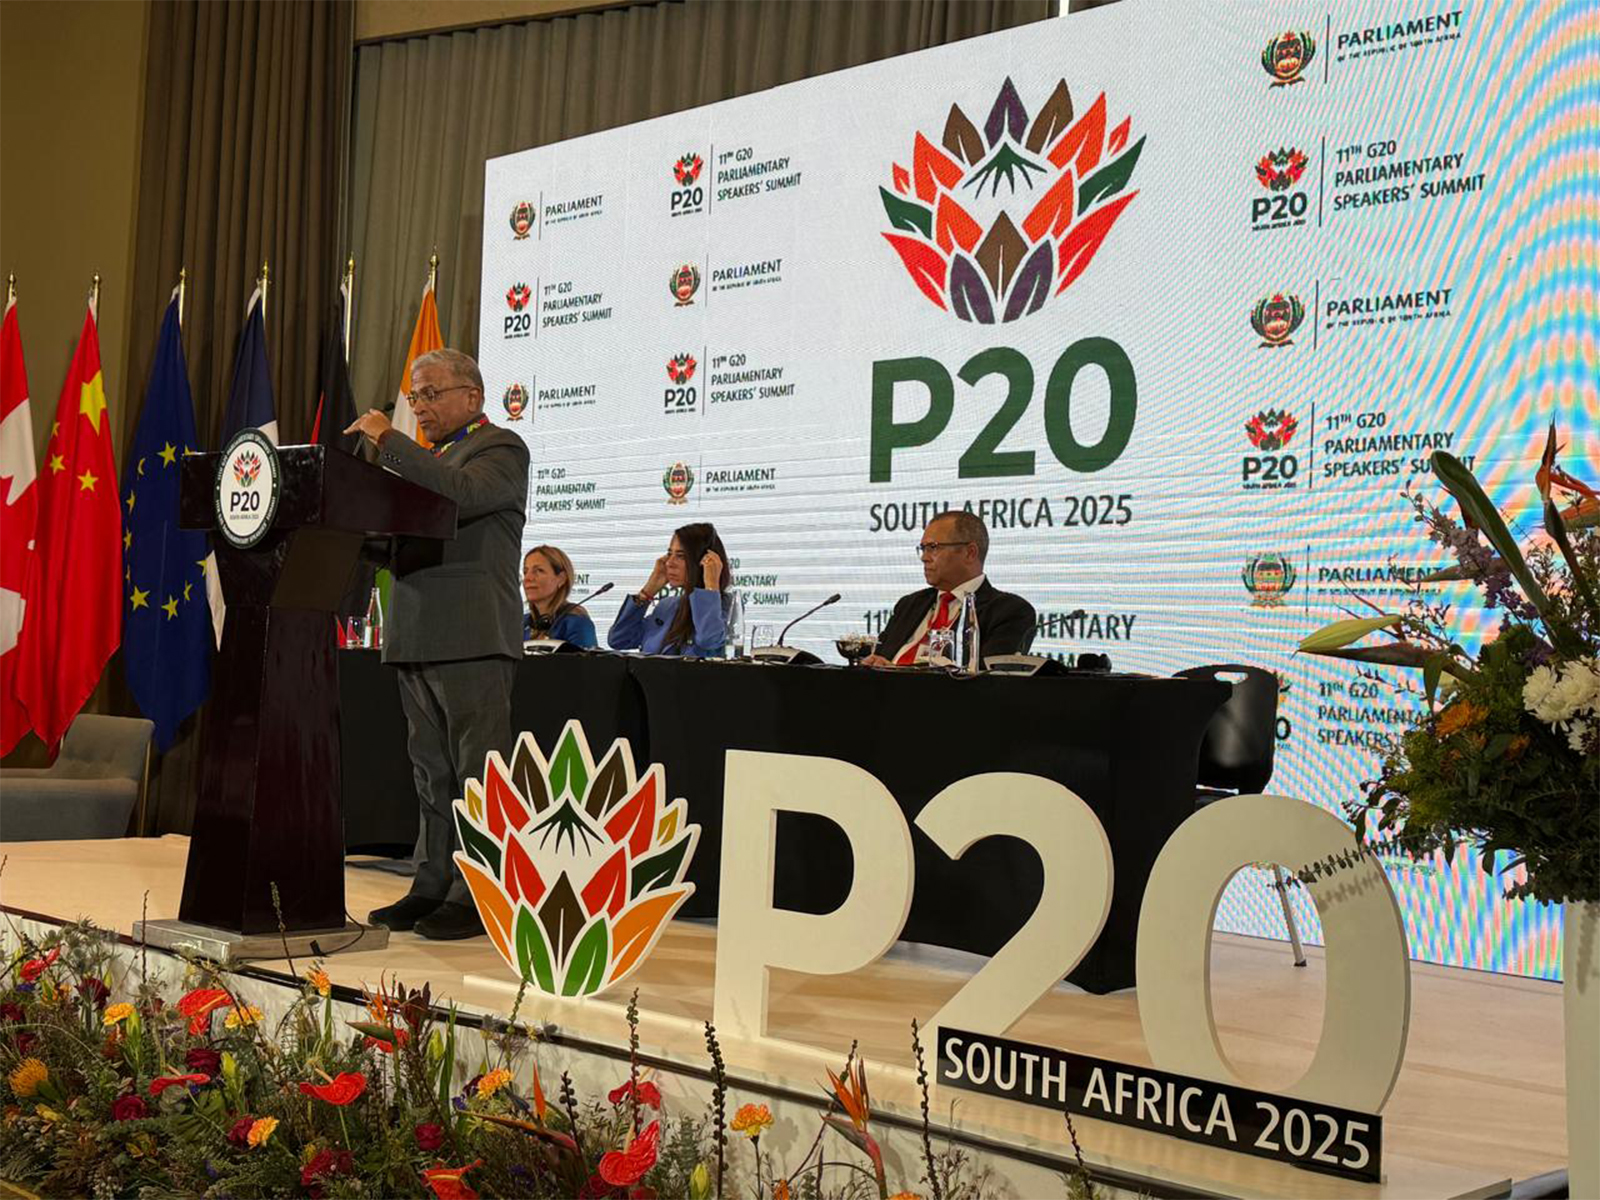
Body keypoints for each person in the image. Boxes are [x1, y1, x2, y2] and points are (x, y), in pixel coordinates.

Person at [344, 348, 530, 941]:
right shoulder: (427, 461)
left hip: (472, 634)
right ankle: (431, 885)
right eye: (415, 396)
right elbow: (405, 542)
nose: (418, 406)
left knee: (479, 777)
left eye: (430, 394)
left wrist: (388, 442)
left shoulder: (498, 448)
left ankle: (479, 896)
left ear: (472, 397)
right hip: (416, 631)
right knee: (432, 776)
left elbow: (463, 497)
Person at [862, 511, 1035, 666]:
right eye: (922, 549)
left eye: (933, 547)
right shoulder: (909, 604)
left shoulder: (1010, 612)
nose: (924, 558)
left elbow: (985, 682)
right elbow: (878, 657)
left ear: (970, 553)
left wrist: (896, 673)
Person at [608, 522, 731, 657]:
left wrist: (711, 585)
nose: (669, 563)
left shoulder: (726, 606)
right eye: (669, 553)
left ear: (704, 562)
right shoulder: (667, 606)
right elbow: (619, 640)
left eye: (680, 556)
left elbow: (709, 640)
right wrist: (648, 591)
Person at [522, 544, 597, 647]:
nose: (527, 578)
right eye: (525, 572)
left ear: (561, 579)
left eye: (539, 571)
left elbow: (586, 663)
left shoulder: (576, 623)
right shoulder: (522, 623)